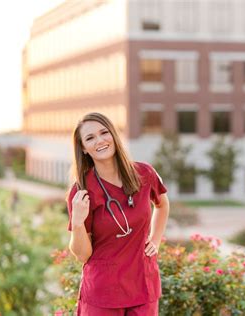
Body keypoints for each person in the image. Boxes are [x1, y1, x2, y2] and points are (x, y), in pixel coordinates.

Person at [66, 112, 169, 315]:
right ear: (84, 149)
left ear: (113, 135)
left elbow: (162, 205)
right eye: (90, 138)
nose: (100, 140)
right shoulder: (82, 192)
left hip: (143, 286)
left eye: (104, 132)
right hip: (103, 293)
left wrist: (155, 240)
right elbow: (82, 254)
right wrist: (77, 223)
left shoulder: (144, 174)